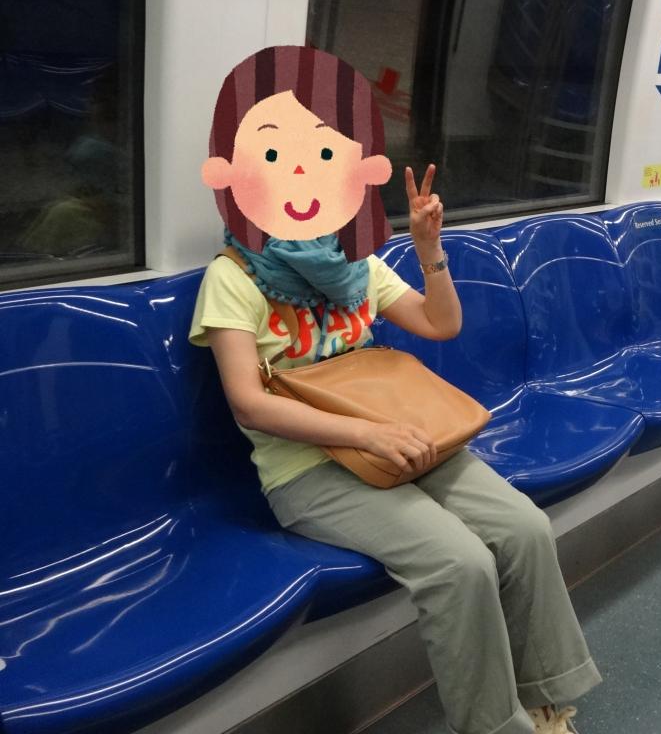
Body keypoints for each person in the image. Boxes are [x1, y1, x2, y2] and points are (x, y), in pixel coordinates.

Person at [189, 45, 599, 734]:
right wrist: (367, 434)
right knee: (461, 564)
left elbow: (441, 323)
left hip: (399, 441)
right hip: (309, 470)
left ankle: (547, 700)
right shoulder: (232, 277)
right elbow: (248, 403)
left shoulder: (356, 265)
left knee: (525, 529)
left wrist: (429, 250)